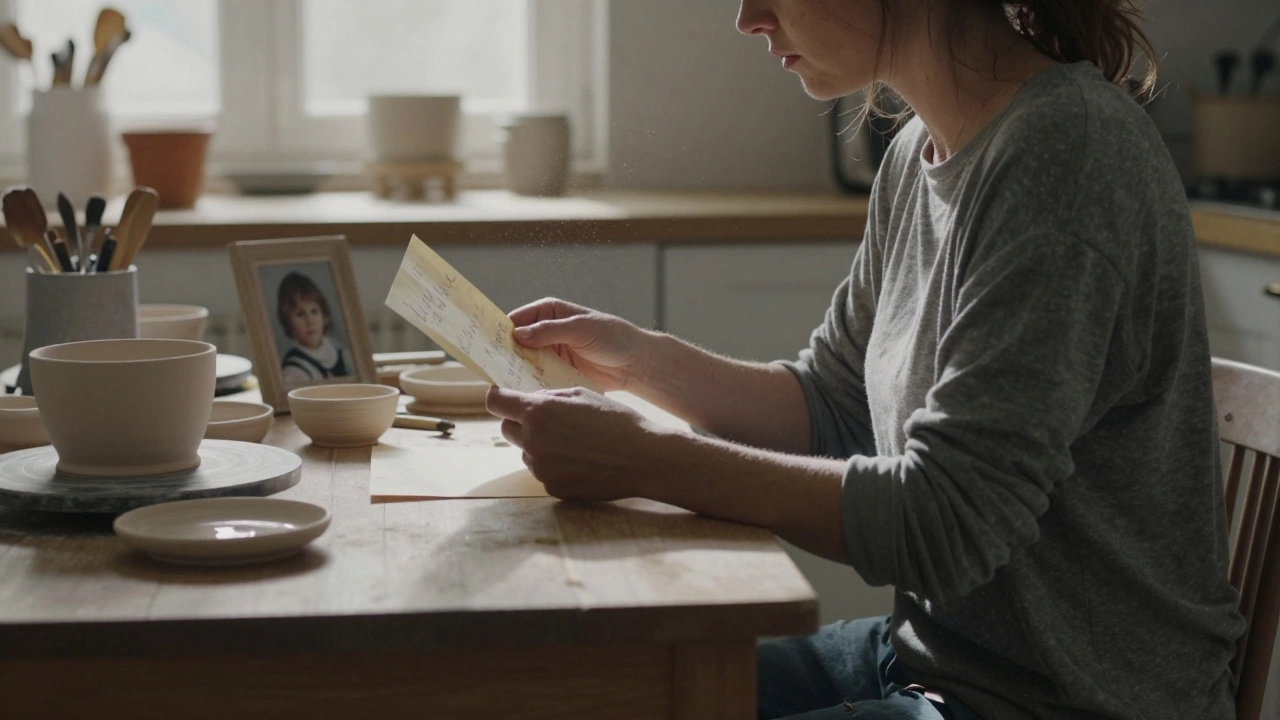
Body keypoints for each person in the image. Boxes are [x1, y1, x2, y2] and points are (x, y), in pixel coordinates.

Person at [484, 0, 1245, 718]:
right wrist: (642, 361)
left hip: (1065, 701)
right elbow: (834, 405)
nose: (747, 17)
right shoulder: (918, 150)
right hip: (937, 663)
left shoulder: (1068, 154)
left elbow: (945, 524)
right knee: (594, 691)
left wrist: (651, 461)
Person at [276, 271, 349, 386]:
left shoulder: (337, 351)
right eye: (300, 314)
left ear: (324, 316)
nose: (309, 321)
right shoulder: (294, 369)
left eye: (314, 312)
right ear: (288, 323)